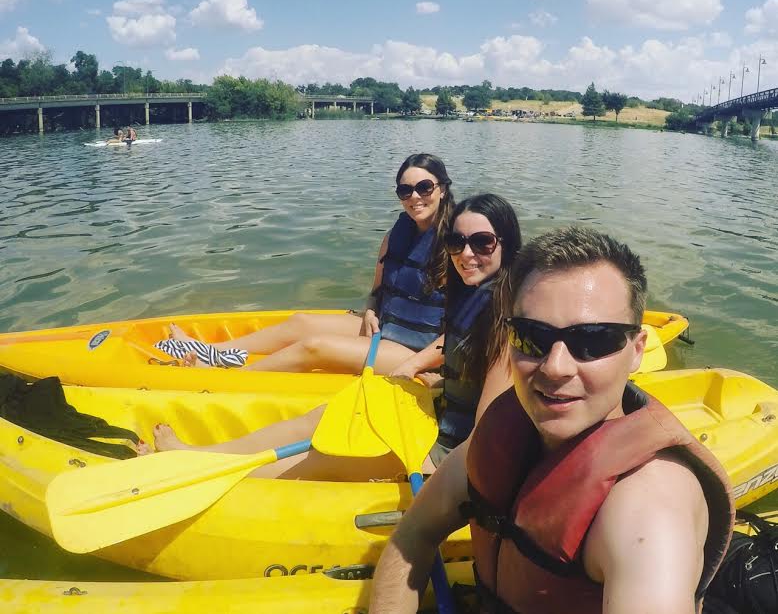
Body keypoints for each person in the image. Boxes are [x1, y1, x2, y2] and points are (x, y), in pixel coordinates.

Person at [370, 226, 734, 614]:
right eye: (532, 337)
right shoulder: (505, 434)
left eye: (592, 340)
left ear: (637, 350)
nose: (556, 367)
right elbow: (412, 534)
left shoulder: (647, 513)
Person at [139, 193, 521, 483]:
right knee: (322, 419)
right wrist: (419, 368)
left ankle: (190, 473)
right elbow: (451, 342)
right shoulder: (476, 293)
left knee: (319, 455)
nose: (466, 254)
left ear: (506, 244)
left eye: (483, 243)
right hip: (435, 417)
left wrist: (433, 475)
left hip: (443, 452)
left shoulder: (508, 323)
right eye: (456, 243)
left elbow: (487, 434)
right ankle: (199, 455)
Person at [158, 153, 456, 375]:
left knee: (315, 346)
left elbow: (466, 328)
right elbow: (377, 291)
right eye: (405, 191)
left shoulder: (460, 246)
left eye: (424, 188)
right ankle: (209, 352)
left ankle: (231, 376)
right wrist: (370, 311)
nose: (414, 197)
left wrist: (419, 365)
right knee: (301, 322)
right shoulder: (394, 237)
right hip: (385, 329)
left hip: (419, 351)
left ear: (442, 188)